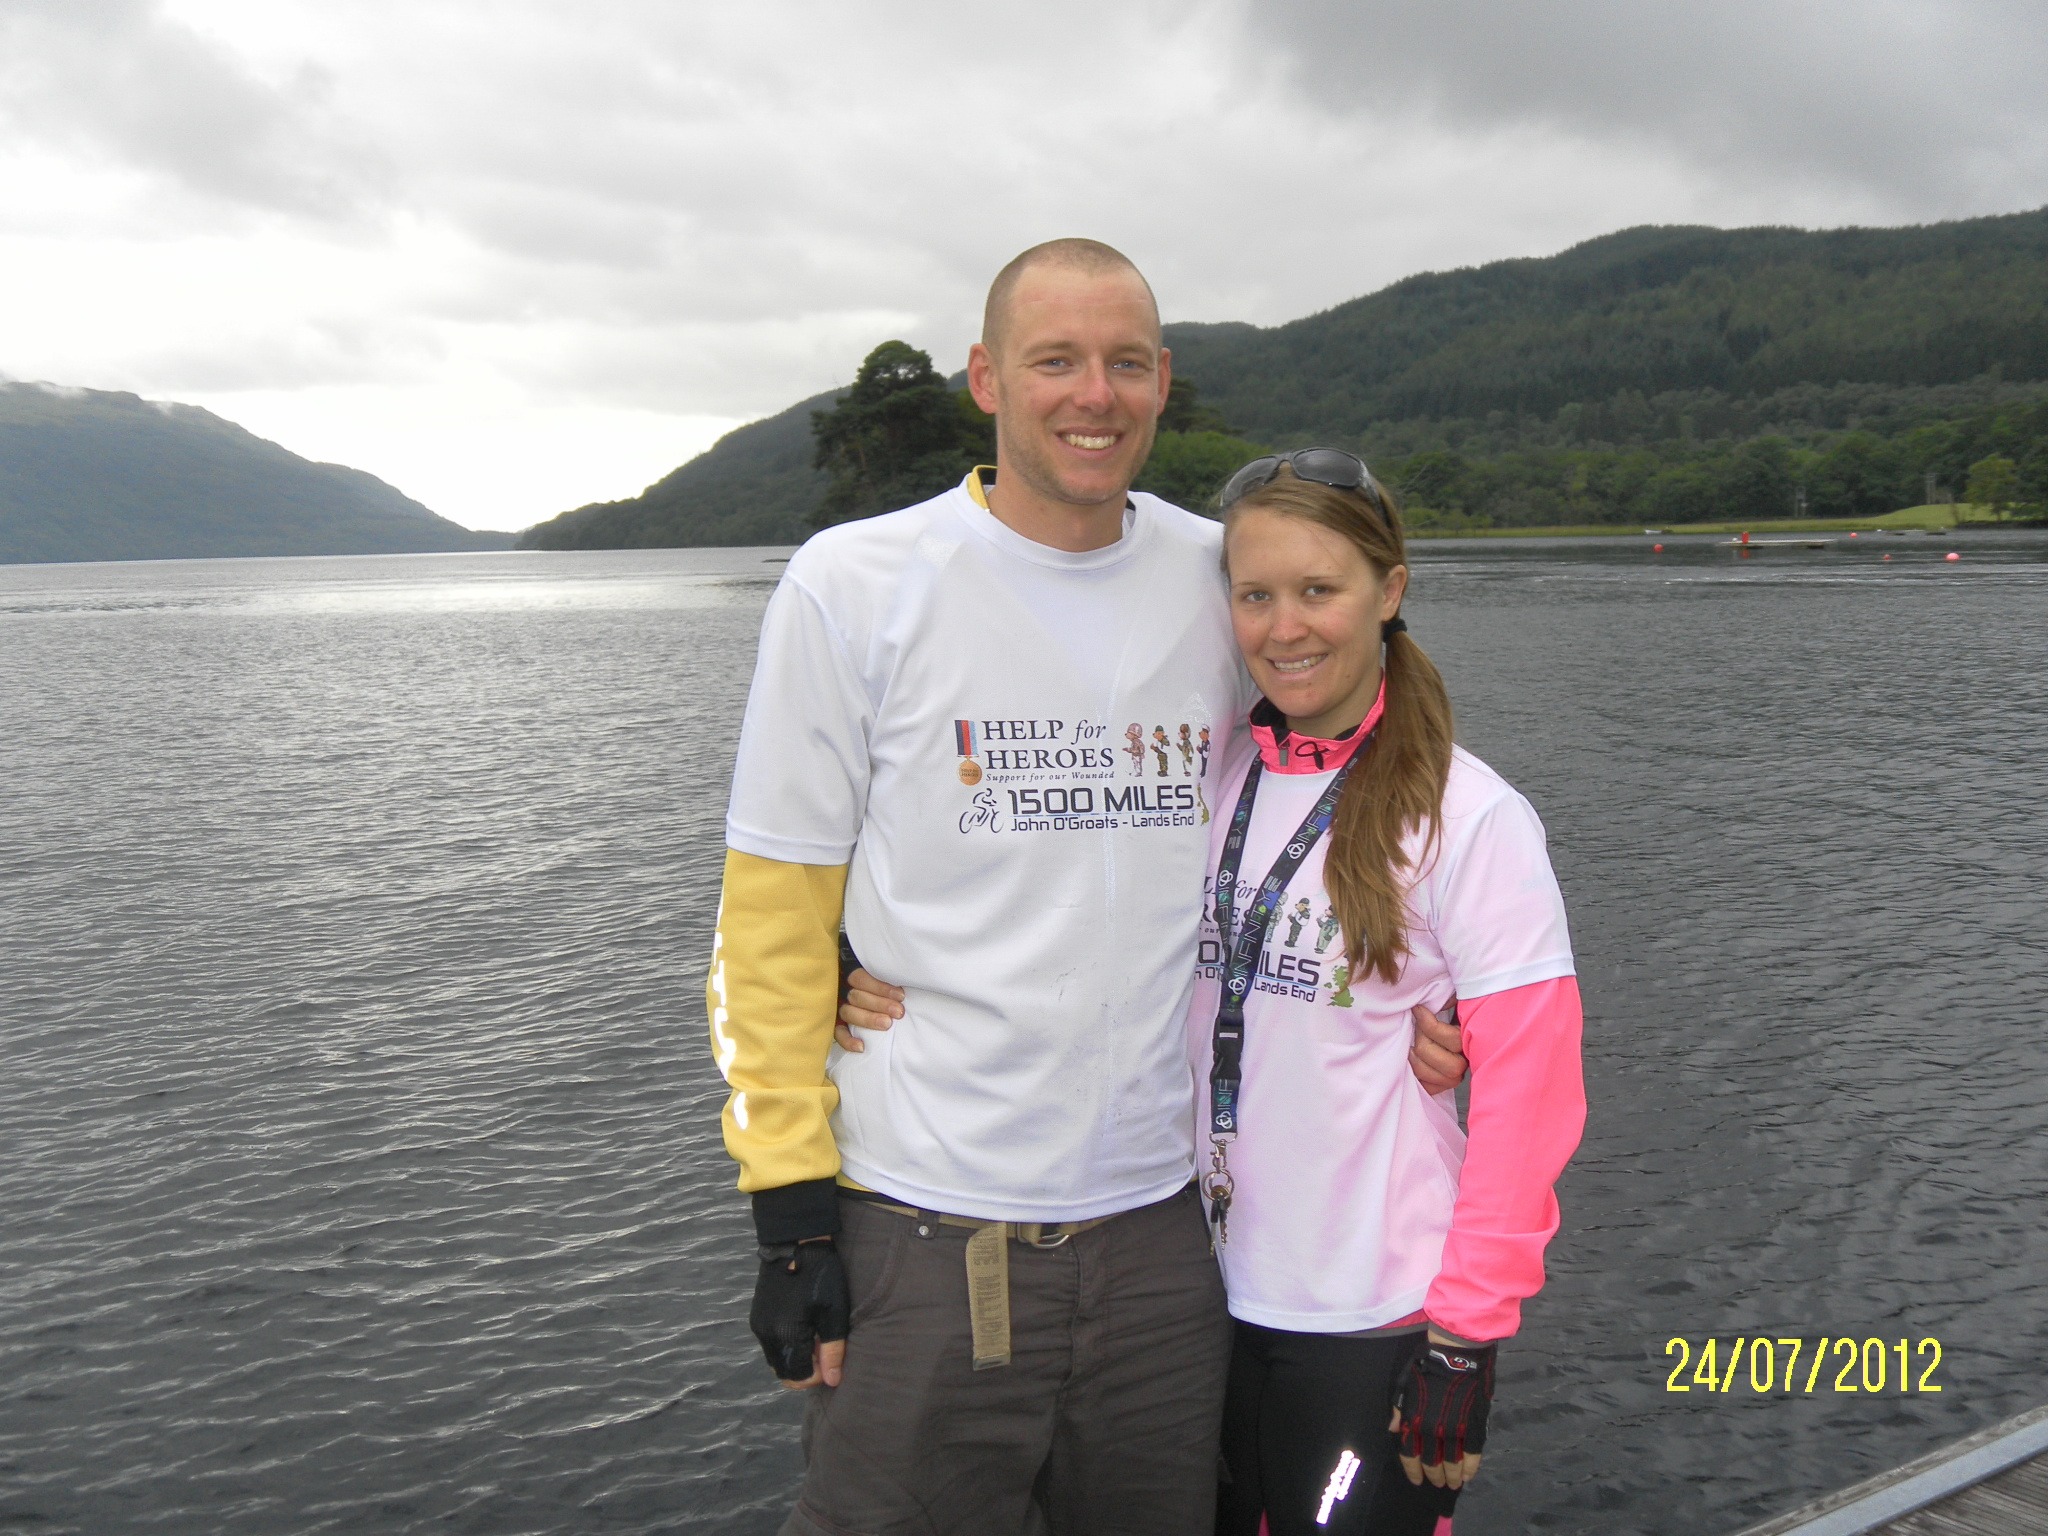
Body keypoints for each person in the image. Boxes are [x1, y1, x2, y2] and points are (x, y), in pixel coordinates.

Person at [709, 239, 1467, 1536]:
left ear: (1164, 381)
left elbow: (1359, 762)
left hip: (1168, 1237)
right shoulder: (854, 587)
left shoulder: (1215, 576)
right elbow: (772, 914)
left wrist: (1427, 984)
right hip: (925, 1224)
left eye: (1124, 363)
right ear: (986, 380)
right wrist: (790, 1221)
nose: (1092, 395)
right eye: (1053, 360)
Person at [844, 451, 1584, 1535]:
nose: (1284, 628)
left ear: (1389, 591)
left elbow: (1533, 1097)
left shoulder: (1468, 819)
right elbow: (1052, 879)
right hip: (1201, 1299)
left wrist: (1466, 1334)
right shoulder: (1217, 772)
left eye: (1317, 591)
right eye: (1254, 595)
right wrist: (852, 958)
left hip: (1370, 1314)